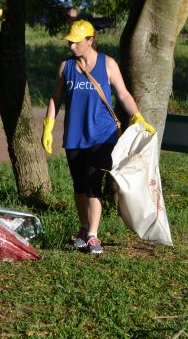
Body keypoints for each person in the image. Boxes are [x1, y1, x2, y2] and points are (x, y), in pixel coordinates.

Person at [41, 19, 155, 254]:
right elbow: (56, 98)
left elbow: (123, 95)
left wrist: (137, 118)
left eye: (76, 42)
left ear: (90, 40)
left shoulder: (108, 64)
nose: (72, 46)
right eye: (70, 42)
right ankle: (83, 229)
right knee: (79, 186)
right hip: (74, 136)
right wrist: (48, 126)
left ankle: (93, 235)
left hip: (103, 136)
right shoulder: (66, 67)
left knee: (93, 184)